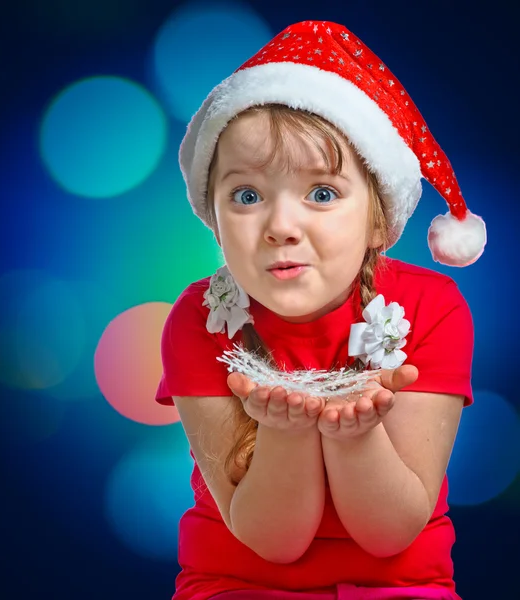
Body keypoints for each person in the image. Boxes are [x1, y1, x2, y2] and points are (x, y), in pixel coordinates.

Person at [155, 20, 486, 600]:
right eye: (247, 196)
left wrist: (354, 437)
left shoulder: (432, 309)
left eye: (323, 194)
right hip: (237, 582)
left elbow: (391, 533)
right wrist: (284, 435)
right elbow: (272, 540)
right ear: (212, 215)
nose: (281, 227)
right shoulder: (199, 321)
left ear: (378, 219)